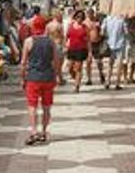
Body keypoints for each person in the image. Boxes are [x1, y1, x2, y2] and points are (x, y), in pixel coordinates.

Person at [20, 15, 62, 145]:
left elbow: (23, 63)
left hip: (33, 78)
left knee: (32, 106)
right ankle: (43, 132)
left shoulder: (28, 41)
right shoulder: (51, 42)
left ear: (33, 27)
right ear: (44, 27)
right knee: (46, 107)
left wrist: (22, 78)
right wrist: (57, 76)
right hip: (48, 77)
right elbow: (56, 61)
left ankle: (33, 132)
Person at [65, 10, 90, 93]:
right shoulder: (71, 26)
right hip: (71, 49)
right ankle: (77, 78)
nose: (80, 18)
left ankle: (77, 86)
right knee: (70, 68)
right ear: (75, 17)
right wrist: (65, 46)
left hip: (81, 50)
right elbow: (67, 37)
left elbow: (88, 41)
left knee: (78, 68)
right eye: (78, 16)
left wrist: (90, 52)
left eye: (82, 17)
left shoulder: (85, 27)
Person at [101, 12, 128, 90]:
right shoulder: (122, 19)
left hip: (110, 44)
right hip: (120, 44)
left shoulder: (106, 19)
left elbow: (102, 32)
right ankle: (117, 83)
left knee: (110, 64)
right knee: (119, 65)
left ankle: (107, 82)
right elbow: (126, 32)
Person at [85, 10, 106, 86]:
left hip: (97, 43)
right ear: (87, 14)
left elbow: (102, 31)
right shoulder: (85, 23)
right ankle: (89, 78)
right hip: (88, 43)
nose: (90, 15)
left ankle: (101, 73)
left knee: (99, 61)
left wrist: (101, 36)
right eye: (89, 14)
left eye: (91, 14)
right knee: (88, 61)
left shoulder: (97, 21)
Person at [47, 9, 67, 85]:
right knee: (59, 64)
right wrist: (65, 46)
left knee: (52, 63)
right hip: (58, 45)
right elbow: (63, 37)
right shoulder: (59, 25)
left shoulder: (48, 25)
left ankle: (54, 78)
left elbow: (46, 35)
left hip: (50, 45)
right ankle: (59, 79)